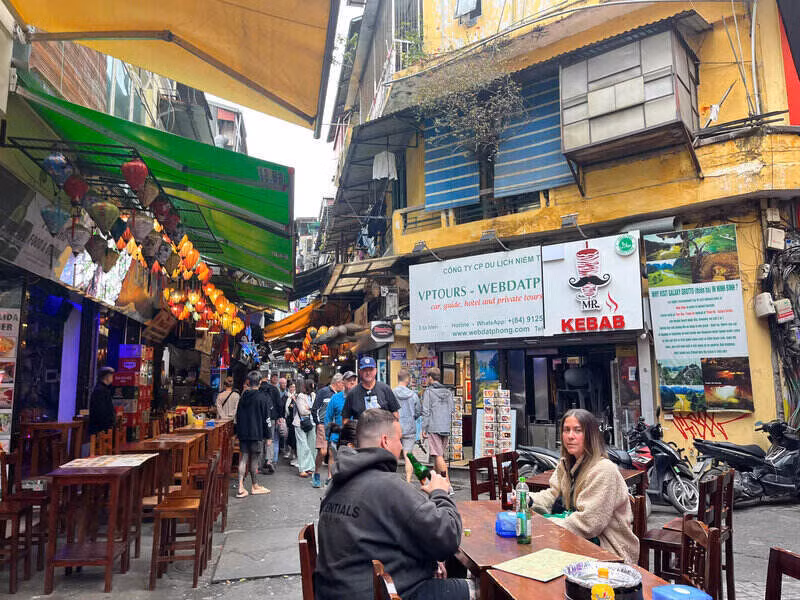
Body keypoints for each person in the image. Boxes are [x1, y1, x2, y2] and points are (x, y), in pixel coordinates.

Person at [314, 409, 471, 600]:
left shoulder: (334, 485)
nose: (402, 447)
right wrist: (440, 493)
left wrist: (430, 562)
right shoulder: (389, 487)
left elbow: (382, 538)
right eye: (399, 439)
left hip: (336, 591)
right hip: (382, 593)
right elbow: (448, 536)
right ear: (385, 441)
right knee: (479, 590)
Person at [526, 408, 639, 564]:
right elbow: (553, 495)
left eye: (577, 431)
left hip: (609, 550)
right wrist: (527, 499)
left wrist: (545, 525)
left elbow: (589, 523)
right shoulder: (566, 464)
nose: (570, 436)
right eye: (566, 430)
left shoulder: (604, 470)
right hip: (576, 540)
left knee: (536, 555)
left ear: (590, 436)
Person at [234, 371, 271, 498]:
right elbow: (267, 418)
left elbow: (237, 416)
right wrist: (269, 436)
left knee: (243, 458)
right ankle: (254, 485)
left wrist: (238, 431)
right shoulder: (262, 398)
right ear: (260, 382)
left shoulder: (243, 397)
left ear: (248, 382)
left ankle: (240, 486)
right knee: (254, 459)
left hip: (243, 432)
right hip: (256, 433)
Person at [421, 367, 454, 483]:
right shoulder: (448, 392)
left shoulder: (429, 392)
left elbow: (426, 412)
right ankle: (433, 480)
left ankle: (448, 484)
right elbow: (452, 409)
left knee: (438, 455)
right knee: (439, 455)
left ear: (430, 378)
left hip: (434, 426)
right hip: (445, 426)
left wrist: (424, 428)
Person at [342, 357, 400, 422]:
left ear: (376, 370)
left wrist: (393, 429)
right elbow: (345, 418)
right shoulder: (352, 393)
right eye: (365, 370)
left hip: (384, 431)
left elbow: (395, 412)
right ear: (359, 372)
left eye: (371, 369)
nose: (368, 373)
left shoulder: (385, 389)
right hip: (362, 431)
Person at [313, 374, 343, 487]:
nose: (344, 386)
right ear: (337, 383)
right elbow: (315, 408)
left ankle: (330, 477)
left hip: (335, 426)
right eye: (342, 383)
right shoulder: (323, 392)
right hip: (323, 424)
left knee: (332, 452)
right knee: (322, 451)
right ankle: (316, 473)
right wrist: (318, 423)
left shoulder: (341, 395)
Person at [394, 368, 422, 483]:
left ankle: (392, 480)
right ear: (408, 380)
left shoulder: (392, 393)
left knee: (394, 455)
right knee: (408, 456)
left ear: (398, 378)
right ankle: (408, 481)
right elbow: (418, 411)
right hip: (410, 427)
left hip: (395, 428)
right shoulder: (413, 395)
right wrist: (412, 417)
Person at [258, 372, 282, 474]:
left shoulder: (258, 390)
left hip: (259, 418)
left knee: (260, 439)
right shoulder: (274, 389)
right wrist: (279, 416)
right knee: (270, 438)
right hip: (271, 418)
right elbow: (279, 404)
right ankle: (268, 460)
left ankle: (258, 464)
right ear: (267, 379)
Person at [292, 379, 316, 477]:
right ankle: (302, 468)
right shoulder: (300, 396)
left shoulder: (313, 395)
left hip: (312, 423)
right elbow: (302, 411)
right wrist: (311, 410)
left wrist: (309, 409)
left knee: (312, 446)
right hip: (300, 423)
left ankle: (310, 467)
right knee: (303, 446)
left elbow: (316, 408)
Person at [88, 366, 116, 436]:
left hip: (102, 428)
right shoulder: (101, 390)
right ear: (107, 377)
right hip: (101, 429)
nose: (112, 378)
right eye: (111, 376)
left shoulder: (103, 389)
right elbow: (101, 410)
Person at [285, 381, 298, 463]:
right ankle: (289, 451)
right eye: (291, 387)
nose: (292, 389)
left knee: (293, 437)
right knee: (287, 436)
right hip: (288, 419)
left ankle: (293, 452)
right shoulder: (286, 396)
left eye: (293, 387)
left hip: (294, 420)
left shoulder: (297, 396)